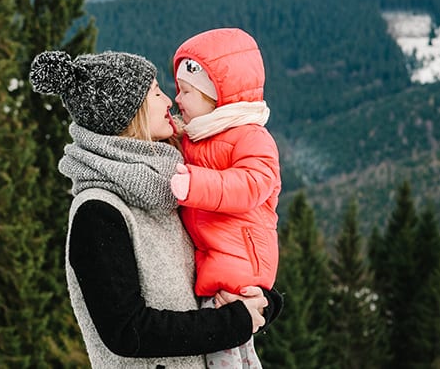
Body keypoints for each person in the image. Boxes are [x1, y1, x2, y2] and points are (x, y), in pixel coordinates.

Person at [29, 50, 281, 368]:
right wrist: (235, 322)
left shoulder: (173, 187)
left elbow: (228, 254)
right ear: (128, 113)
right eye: (156, 93)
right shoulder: (98, 211)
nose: (169, 102)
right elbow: (127, 331)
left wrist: (263, 303)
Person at [168, 28, 282, 367]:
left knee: (224, 351)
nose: (177, 98)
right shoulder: (198, 134)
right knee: (235, 350)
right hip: (215, 259)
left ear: (216, 96)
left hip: (239, 264)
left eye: (186, 91)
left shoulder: (251, 137)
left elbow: (253, 183)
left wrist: (195, 185)